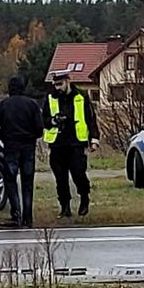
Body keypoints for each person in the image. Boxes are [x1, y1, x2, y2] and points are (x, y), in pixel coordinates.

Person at [42, 70, 100, 218]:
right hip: (57, 143)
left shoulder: (81, 96)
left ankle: (84, 199)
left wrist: (94, 139)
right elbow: (44, 120)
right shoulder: (50, 98)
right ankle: (65, 207)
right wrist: (54, 121)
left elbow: (90, 118)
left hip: (76, 143)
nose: (58, 88)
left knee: (78, 174)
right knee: (60, 178)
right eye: (55, 85)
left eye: (60, 84)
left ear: (68, 81)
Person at [0, 75, 43, 228]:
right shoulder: (32, 105)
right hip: (28, 147)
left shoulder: (2, 105)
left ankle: (16, 214)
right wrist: (31, 136)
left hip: (11, 146)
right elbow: (40, 129)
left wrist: (4, 135)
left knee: (11, 181)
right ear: (23, 88)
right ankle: (28, 218)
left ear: (9, 89)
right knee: (28, 183)